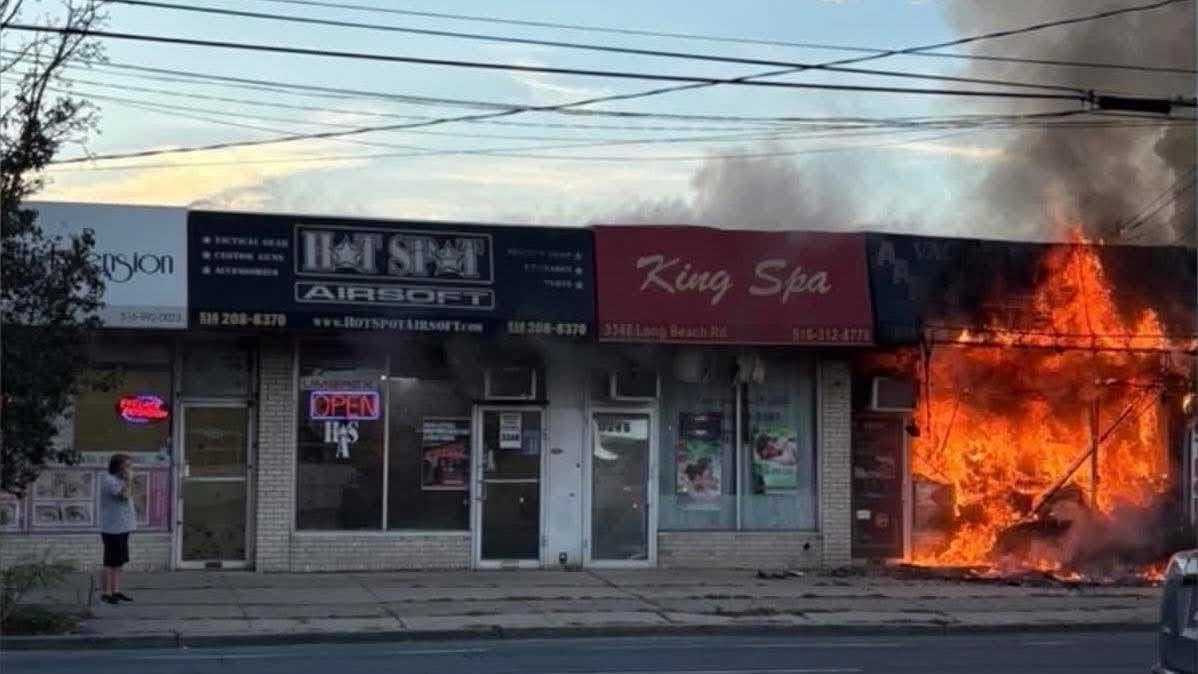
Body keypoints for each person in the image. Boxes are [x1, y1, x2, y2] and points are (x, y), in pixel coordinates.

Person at [99, 453, 137, 605]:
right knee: (110, 561)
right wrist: (129, 480)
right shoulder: (109, 480)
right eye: (127, 465)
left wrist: (127, 481)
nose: (129, 469)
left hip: (123, 526)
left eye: (130, 466)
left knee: (119, 562)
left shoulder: (120, 480)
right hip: (112, 528)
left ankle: (116, 590)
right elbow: (123, 496)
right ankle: (106, 593)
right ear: (118, 466)